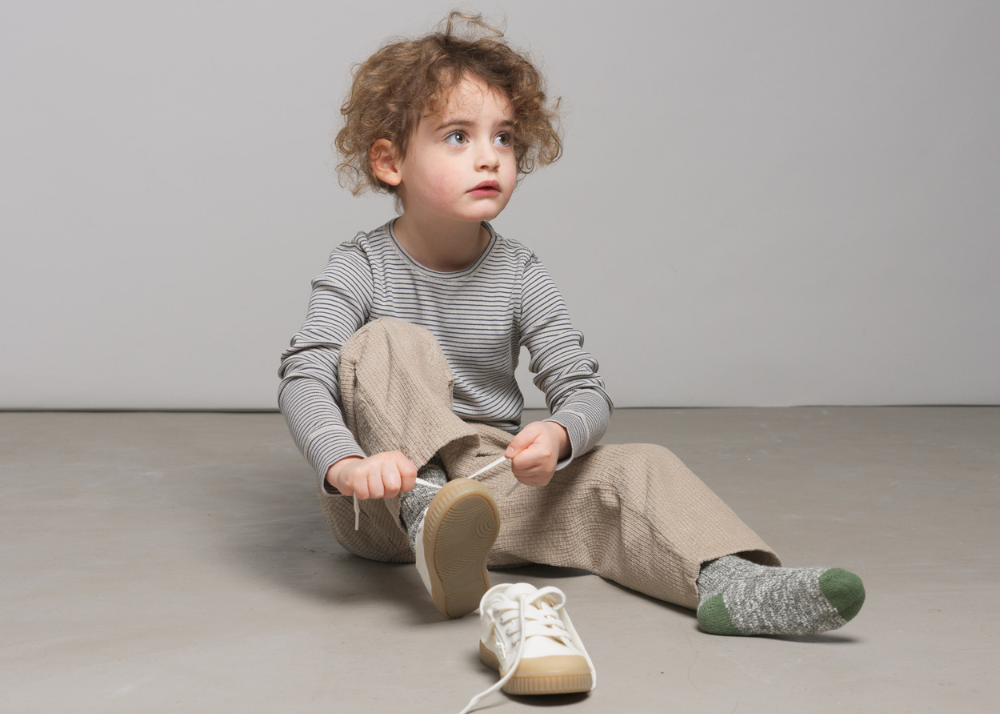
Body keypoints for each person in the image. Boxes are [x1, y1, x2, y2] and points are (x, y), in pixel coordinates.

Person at [278, 10, 865, 707]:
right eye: (458, 137)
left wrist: (557, 436)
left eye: (503, 138)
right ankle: (428, 505)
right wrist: (349, 465)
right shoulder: (360, 265)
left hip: (491, 492)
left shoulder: (521, 272)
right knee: (384, 342)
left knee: (640, 465)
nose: (490, 157)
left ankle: (730, 583)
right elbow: (305, 372)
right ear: (389, 161)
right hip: (386, 501)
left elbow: (583, 388)